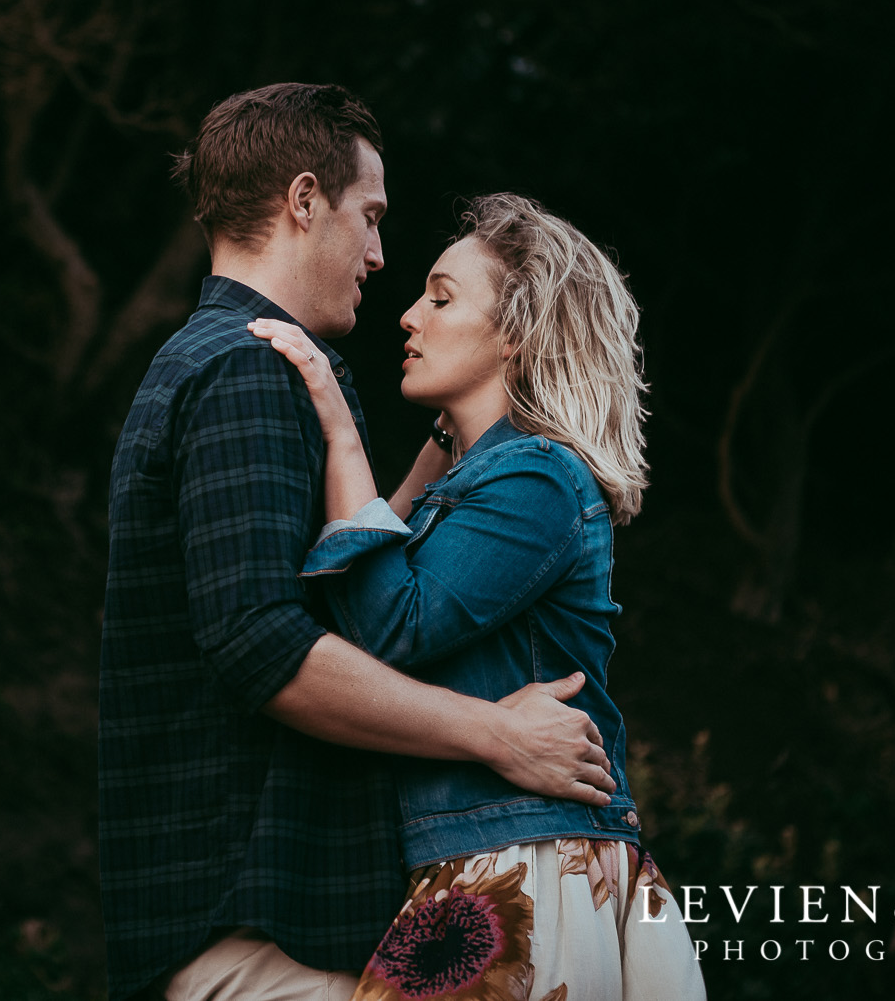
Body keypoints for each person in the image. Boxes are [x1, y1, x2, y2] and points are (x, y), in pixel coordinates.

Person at [100, 86, 619, 1001]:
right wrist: (494, 733)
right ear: (304, 201)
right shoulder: (249, 368)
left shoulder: (233, 362)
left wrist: (440, 448)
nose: (380, 257)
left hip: (276, 925)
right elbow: (262, 643)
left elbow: (353, 584)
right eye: (370, 218)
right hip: (260, 929)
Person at [247, 192, 706, 1001]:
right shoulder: (489, 478)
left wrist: (339, 429)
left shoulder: (537, 476)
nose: (409, 317)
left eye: (441, 296)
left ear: (518, 334)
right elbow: (372, 578)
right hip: (486, 853)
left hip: (523, 861)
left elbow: (390, 622)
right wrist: (435, 446)